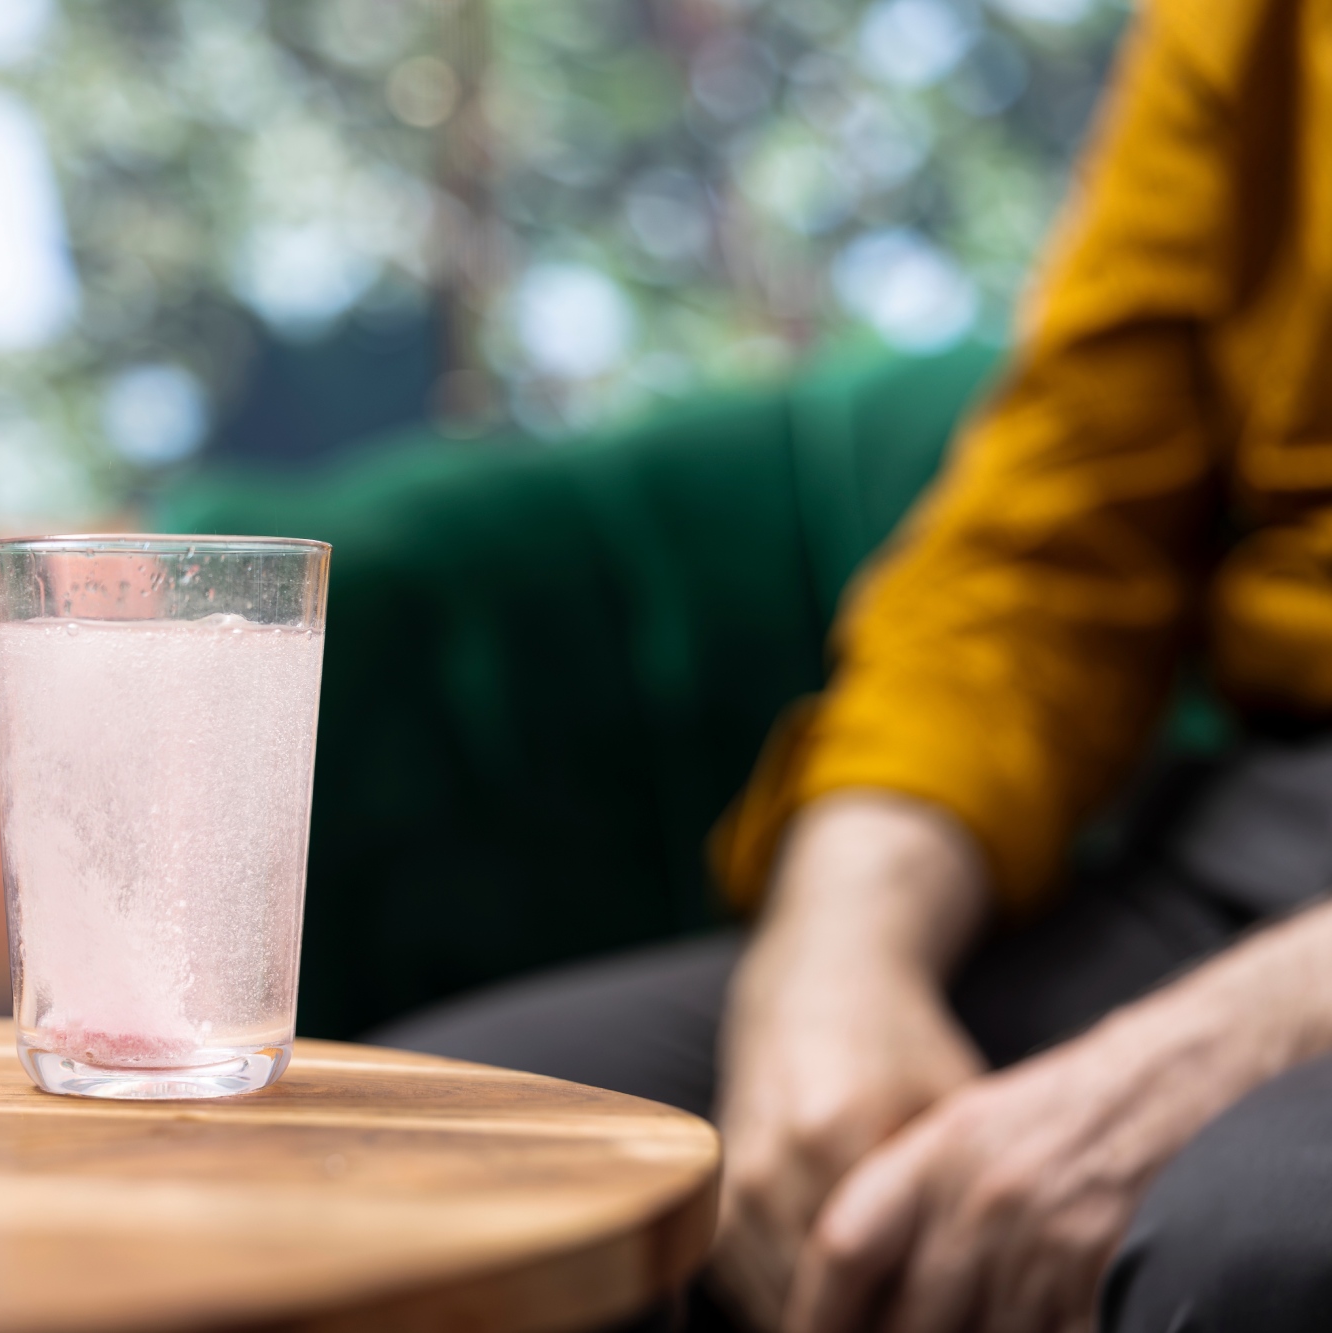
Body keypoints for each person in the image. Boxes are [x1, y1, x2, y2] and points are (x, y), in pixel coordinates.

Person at [374, 0, 1332, 1328]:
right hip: (1259, 835)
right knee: (414, 1175)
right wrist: (831, 958)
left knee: (1244, 1252)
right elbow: (1051, 538)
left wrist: (1225, 1049)